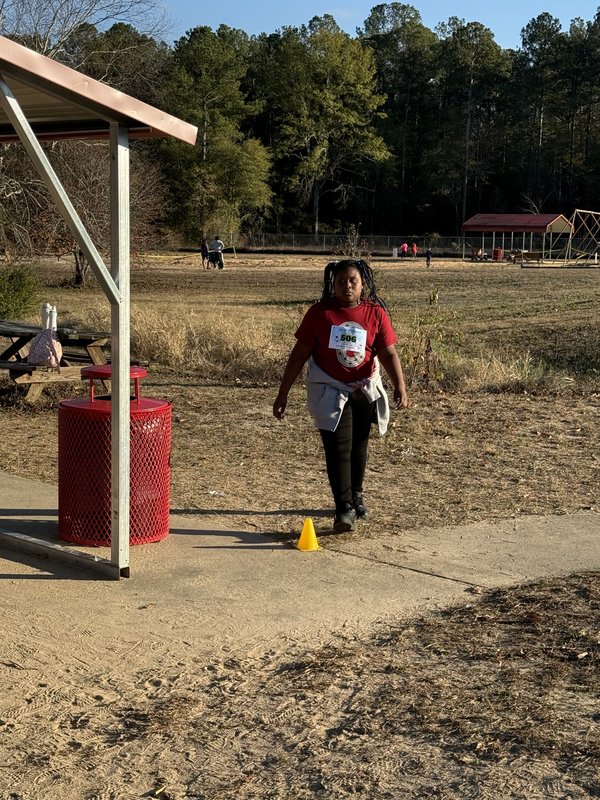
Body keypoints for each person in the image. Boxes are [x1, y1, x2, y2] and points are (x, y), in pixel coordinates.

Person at [273, 259, 408, 533]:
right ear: (332, 284)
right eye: (340, 281)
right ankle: (343, 508)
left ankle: (356, 497)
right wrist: (283, 393)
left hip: (364, 390)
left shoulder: (376, 314)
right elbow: (299, 354)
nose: (346, 286)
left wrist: (400, 386)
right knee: (337, 449)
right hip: (330, 390)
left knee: (358, 447)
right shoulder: (320, 314)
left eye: (352, 281)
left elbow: (388, 353)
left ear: (363, 284)